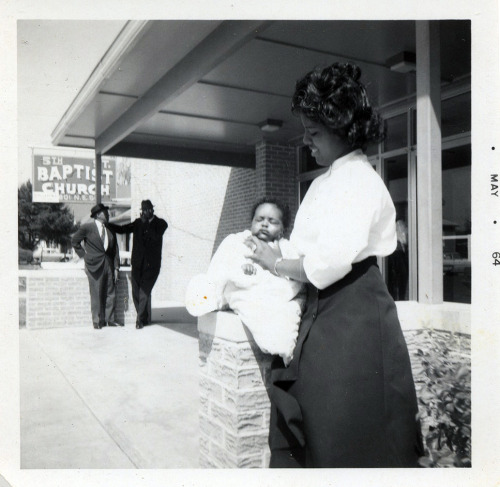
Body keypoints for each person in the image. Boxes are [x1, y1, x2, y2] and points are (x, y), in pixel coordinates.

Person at [247, 63, 423, 467]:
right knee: (320, 427)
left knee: (346, 429)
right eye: (306, 132)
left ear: (343, 128)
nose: (307, 142)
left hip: (353, 314)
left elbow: (324, 265)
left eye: (314, 133)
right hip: (325, 311)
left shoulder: (359, 181)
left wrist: (277, 264)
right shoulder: (327, 180)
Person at [185, 198, 305, 365]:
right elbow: (229, 264)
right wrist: (245, 268)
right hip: (246, 288)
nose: (264, 224)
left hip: (273, 290)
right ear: (251, 223)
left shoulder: (286, 247)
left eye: (272, 221)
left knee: (282, 312)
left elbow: (293, 278)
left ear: (282, 230)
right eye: (259, 219)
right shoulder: (240, 241)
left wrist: (278, 260)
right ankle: (215, 298)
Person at [108, 200, 168, 329]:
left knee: (144, 291)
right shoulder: (137, 223)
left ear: (153, 210)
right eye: (144, 210)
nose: (146, 212)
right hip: (137, 264)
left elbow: (155, 237)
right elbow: (123, 229)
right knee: (136, 292)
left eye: (148, 209)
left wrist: (146, 223)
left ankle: (139, 320)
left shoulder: (161, 224)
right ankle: (143, 317)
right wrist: (108, 225)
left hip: (152, 266)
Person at [71, 203, 122, 329]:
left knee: (111, 293)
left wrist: (116, 267)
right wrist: (84, 256)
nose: (108, 215)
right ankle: (97, 321)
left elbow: (115, 249)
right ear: (99, 215)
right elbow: (74, 241)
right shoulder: (87, 227)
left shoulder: (110, 229)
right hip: (94, 265)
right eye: (105, 213)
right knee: (96, 293)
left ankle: (109, 319)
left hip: (108, 265)